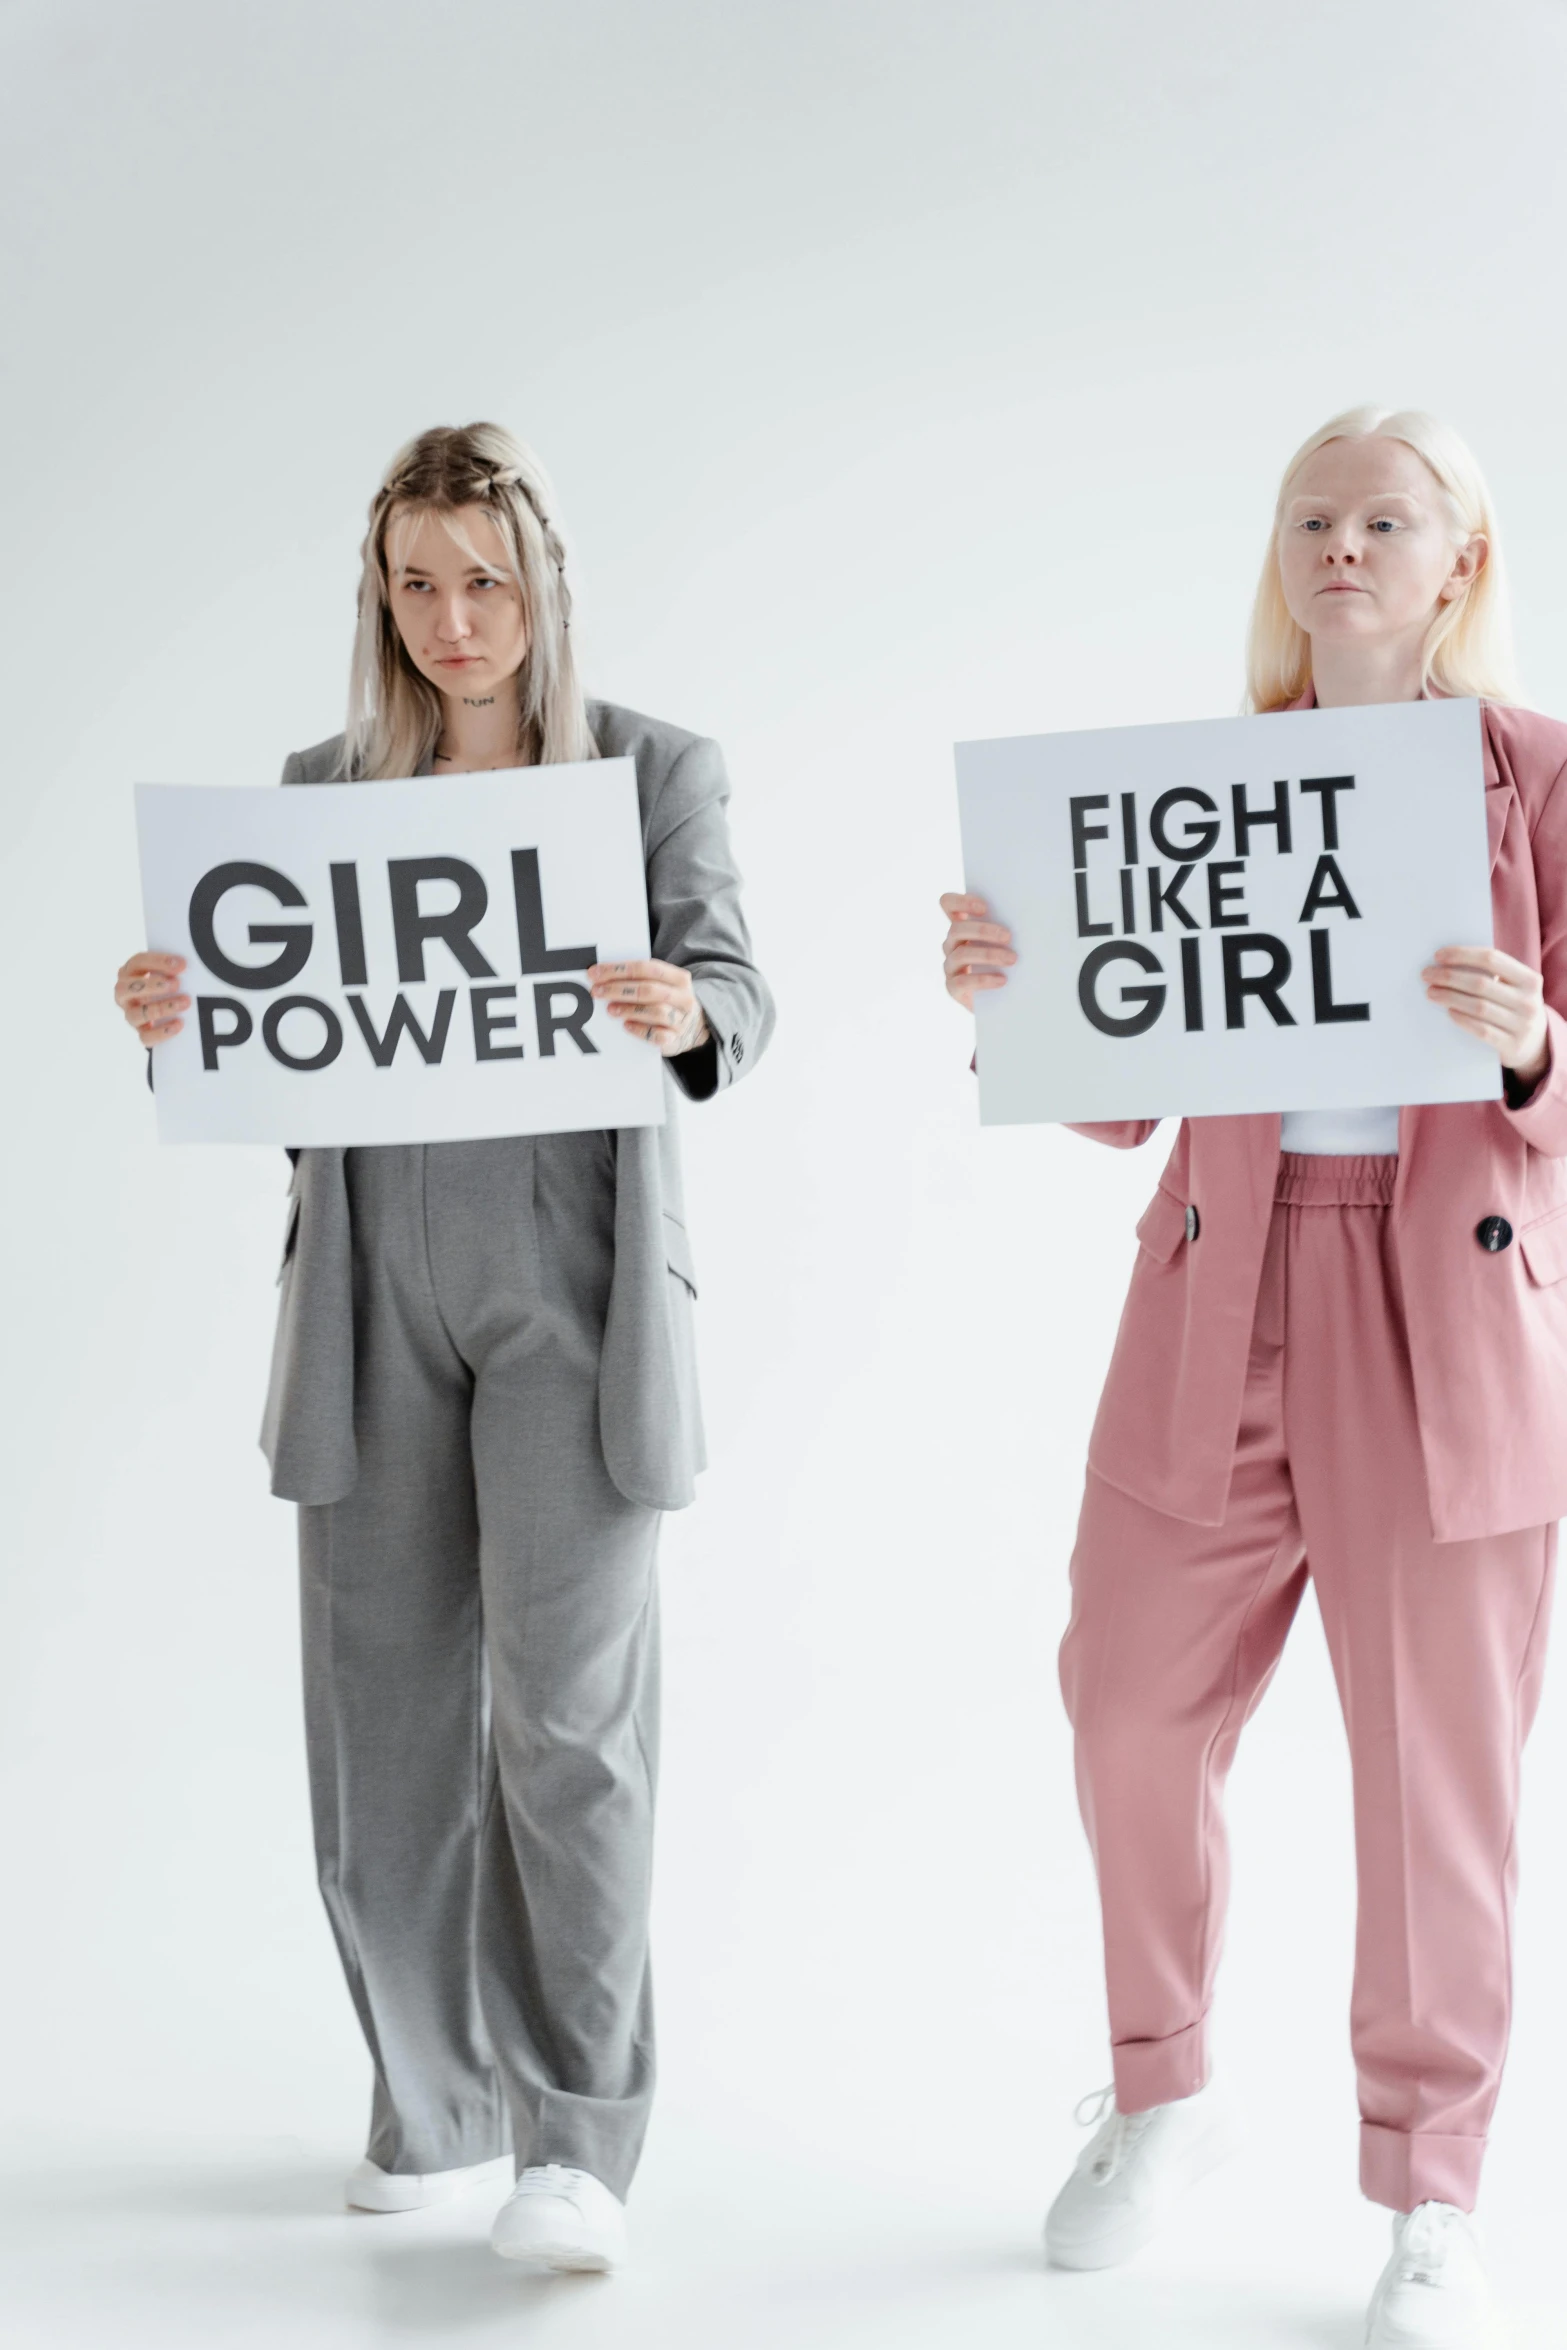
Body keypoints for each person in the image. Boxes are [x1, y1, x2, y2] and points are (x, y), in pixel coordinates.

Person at [115, 422, 774, 2275]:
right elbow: (275, 1070)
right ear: (378, 596)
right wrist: (183, 1017)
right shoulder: (317, 790)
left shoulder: (650, 770)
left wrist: (681, 1003)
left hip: (572, 1274)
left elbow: (739, 984)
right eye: (416, 582)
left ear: (543, 580)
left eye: (485, 577)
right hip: (368, 1284)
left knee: (567, 1722)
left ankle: (578, 2138)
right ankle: (432, 2101)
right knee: (384, 1720)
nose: (453, 617)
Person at [940, 407, 1566, 2347]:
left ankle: (1431, 2191)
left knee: (1430, 1777)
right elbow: (1126, 1096)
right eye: (1313, 515)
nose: (1344, 545)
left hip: (1443, 1307)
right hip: (1221, 1281)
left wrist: (1534, 1044)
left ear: (1459, 559)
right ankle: (1165, 2082)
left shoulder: (1541, 779)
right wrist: (1018, 988)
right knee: (1123, 1692)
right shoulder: (1208, 789)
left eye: (1387, 517)